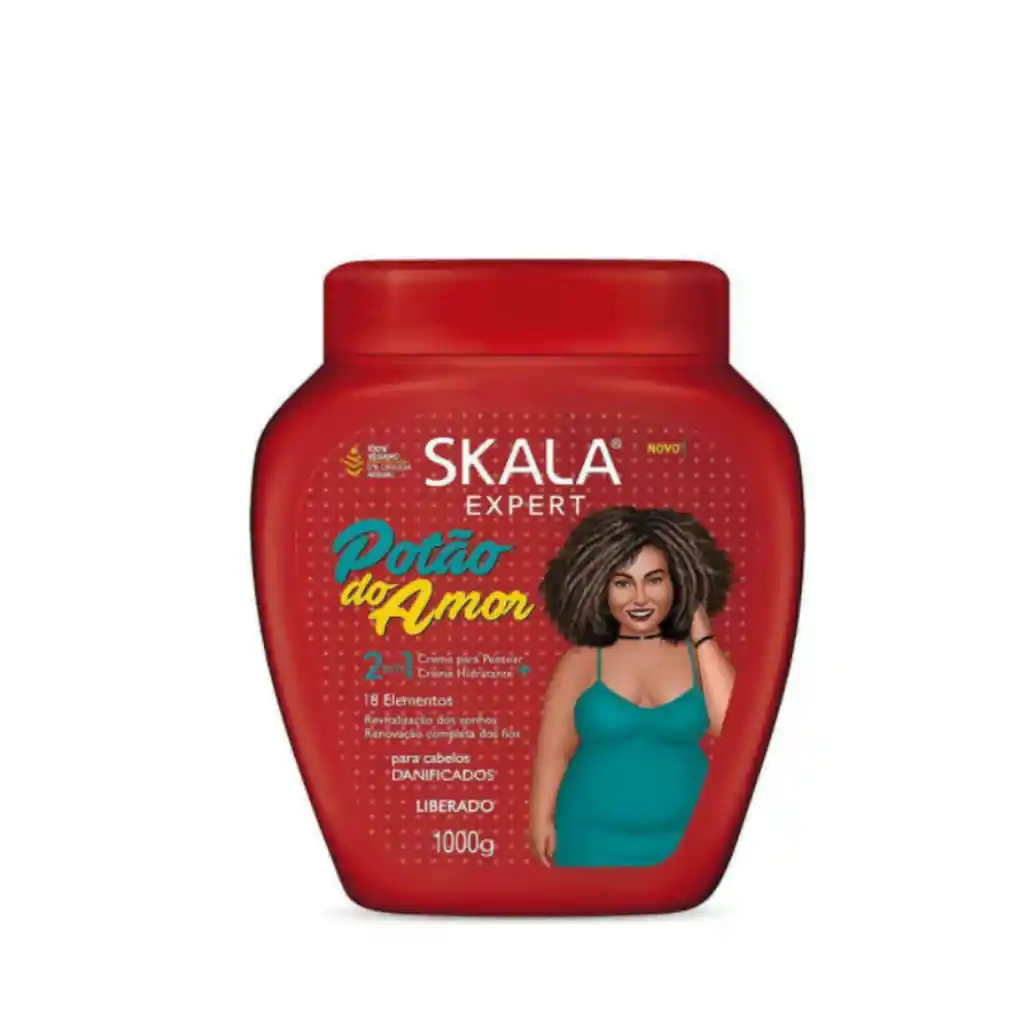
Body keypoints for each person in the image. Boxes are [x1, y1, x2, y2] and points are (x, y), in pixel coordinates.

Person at [530, 506, 735, 867]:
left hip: (689, 835)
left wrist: (702, 634)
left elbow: (735, 729)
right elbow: (554, 752)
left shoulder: (701, 658)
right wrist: (540, 818)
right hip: (589, 837)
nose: (640, 598)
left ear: (678, 581)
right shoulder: (581, 661)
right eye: (623, 583)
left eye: (654, 580)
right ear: (600, 587)